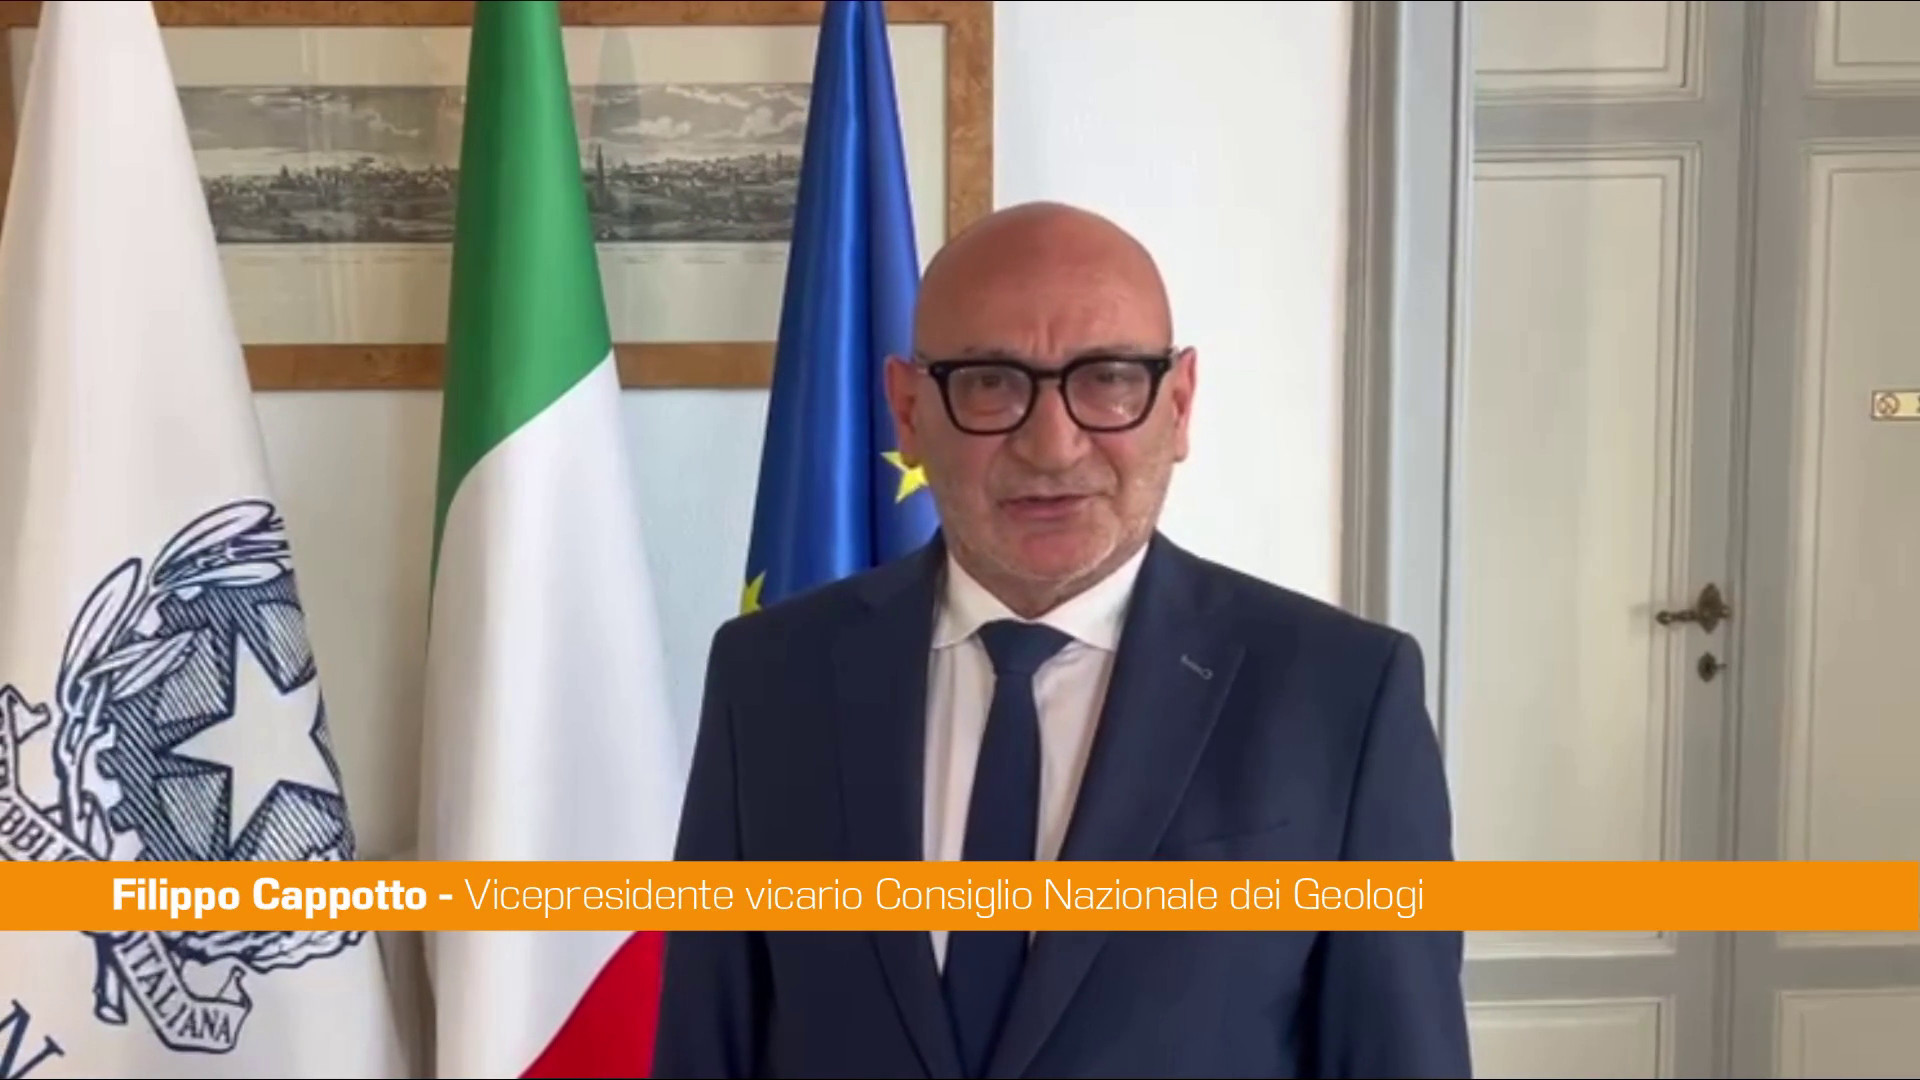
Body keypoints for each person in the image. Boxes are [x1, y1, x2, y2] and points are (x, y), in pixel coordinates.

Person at [652, 202, 1471, 1079]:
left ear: (1179, 404)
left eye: (1109, 378)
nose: (1051, 445)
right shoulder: (770, 678)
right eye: (990, 382)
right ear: (908, 411)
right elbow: (709, 1044)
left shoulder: (1344, 697)